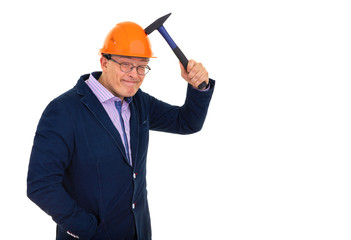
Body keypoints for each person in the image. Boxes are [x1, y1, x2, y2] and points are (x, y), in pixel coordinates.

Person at [27, 21, 215, 240]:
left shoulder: (138, 102)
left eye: (142, 66)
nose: (134, 74)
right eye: (125, 64)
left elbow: (187, 122)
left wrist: (198, 86)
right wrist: (87, 229)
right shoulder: (63, 111)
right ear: (104, 62)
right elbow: (41, 185)